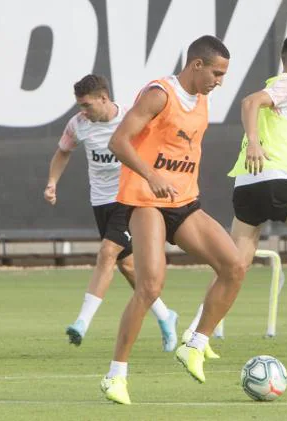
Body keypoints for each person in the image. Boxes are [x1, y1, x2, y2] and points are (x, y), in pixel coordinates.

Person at [100, 35, 245, 405]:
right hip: (145, 200)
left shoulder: (202, 101)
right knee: (150, 287)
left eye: (224, 74)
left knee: (234, 265)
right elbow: (119, 141)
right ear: (196, 65)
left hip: (183, 202)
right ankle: (115, 375)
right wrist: (151, 175)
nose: (219, 81)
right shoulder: (160, 94)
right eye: (216, 72)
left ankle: (195, 343)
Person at [178, 36, 287, 353]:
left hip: (247, 184)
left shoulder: (279, 90)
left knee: (233, 266)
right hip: (275, 180)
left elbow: (275, 135)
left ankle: (196, 333)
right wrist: (253, 142)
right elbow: (249, 102)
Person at [43, 74, 178, 352]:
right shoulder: (78, 124)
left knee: (107, 253)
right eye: (80, 105)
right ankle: (166, 316)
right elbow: (62, 152)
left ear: (104, 98)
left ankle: (82, 323)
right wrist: (52, 183)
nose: (83, 111)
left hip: (131, 197)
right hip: (101, 202)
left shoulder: (131, 117)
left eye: (87, 105)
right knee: (127, 267)